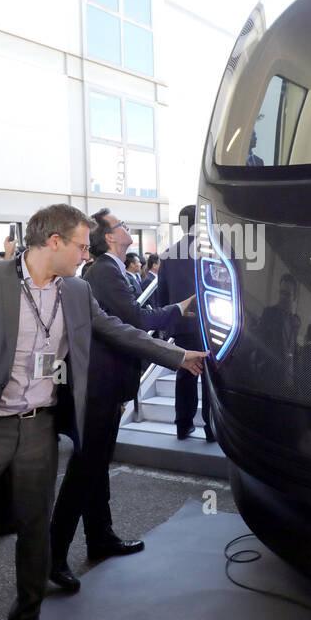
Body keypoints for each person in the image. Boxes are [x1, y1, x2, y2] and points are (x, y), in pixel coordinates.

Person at [0, 204, 206, 620]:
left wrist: (178, 356)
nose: (85, 253)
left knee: (36, 531)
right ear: (54, 242)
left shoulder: (75, 290)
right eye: (79, 245)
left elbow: (118, 329)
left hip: (39, 427)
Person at [48, 210, 194, 593]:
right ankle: (54, 556)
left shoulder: (106, 271)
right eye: (122, 225)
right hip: (97, 385)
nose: (128, 228)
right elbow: (132, 320)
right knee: (84, 470)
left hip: (107, 384)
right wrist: (178, 310)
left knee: (95, 466)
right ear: (110, 238)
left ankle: (100, 535)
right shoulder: (103, 272)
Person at [153, 205, 214, 441]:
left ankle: (183, 426)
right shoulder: (209, 251)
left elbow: (163, 295)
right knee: (211, 378)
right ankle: (211, 429)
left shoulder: (167, 254)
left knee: (185, 375)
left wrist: (168, 324)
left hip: (182, 325)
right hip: (210, 326)